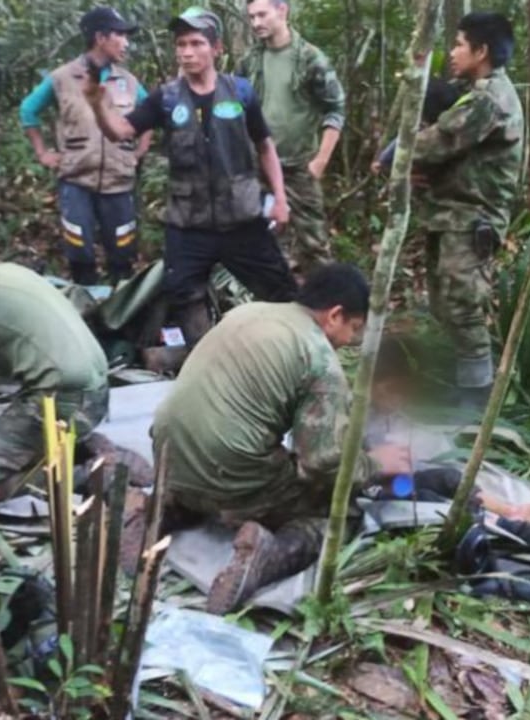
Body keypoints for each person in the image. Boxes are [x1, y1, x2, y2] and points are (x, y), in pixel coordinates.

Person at [146, 264, 412, 614]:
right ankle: (267, 556)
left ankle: (162, 509)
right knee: (338, 516)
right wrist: (377, 462)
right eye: (354, 329)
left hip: (167, 454)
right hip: (228, 471)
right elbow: (321, 464)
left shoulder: (248, 312)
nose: (349, 341)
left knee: (230, 460)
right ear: (334, 315)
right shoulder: (319, 358)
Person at [85, 6, 298, 344]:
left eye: (196, 43)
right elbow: (120, 131)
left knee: (280, 291)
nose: (186, 52)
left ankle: (290, 352)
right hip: (188, 223)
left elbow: (265, 146)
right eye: (181, 44)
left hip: (242, 217)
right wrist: (97, 103)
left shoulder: (241, 92)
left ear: (217, 49)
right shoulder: (166, 99)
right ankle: (208, 356)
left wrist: (280, 199)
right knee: (182, 292)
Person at [0, 231, 111, 505]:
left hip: (60, 399)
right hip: (96, 392)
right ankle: (75, 452)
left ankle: (84, 476)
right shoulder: (6, 272)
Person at [409, 12, 523, 409]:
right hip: (449, 214)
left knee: (464, 304)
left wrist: (400, 157)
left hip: (472, 218)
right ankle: (466, 380)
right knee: (444, 302)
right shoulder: (471, 89)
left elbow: (435, 142)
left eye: (459, 44)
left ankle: (475, 401)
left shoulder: (488, 99)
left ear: (482, 51)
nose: (452, 52)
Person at [20, 7, 152, 285]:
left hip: (119, 181)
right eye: (121, 35)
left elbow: (149, 115)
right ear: (100, 37)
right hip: (76, 180)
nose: (126, 43)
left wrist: (139, 151)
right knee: (79, 251)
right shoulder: (62, 78)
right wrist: (43, 152)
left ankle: (121, 311)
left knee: (123, 252)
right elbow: (28, 111)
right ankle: (84, 306)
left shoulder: (128, 81)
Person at [364, 336, 530, 523]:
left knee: (449, 478)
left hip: (400, 481)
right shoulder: (352, 415)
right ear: (368, 382)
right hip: (370, 487)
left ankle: (510, 512)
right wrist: (373, 461)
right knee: (423, 497)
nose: (397, 399)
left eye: (404, 392)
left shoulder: (395, 417)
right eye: (391, 389)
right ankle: (491, 524)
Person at [240, 0, 346, 275]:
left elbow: (335, 108)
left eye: (262, 15)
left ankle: (326, 307)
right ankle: (272, 304)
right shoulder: (250, 60)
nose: (256, 23)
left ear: (282, 10)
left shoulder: (311, 58)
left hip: (299, 166)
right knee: (262, 239)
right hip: (259, 167)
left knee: (314, 243)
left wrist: (321, 161)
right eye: (252, 17)